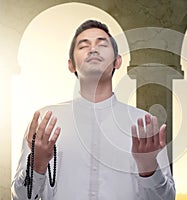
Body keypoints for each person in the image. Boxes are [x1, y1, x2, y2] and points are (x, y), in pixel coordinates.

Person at [12, 20, 175, 199]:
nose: (93, 49)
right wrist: (37, 165)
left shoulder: (144, 123)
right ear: (71, 65)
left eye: (102, 44)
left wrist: (148, 169)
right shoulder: (45, 121)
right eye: (83, 46)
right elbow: (20, 197)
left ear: (117, 61)